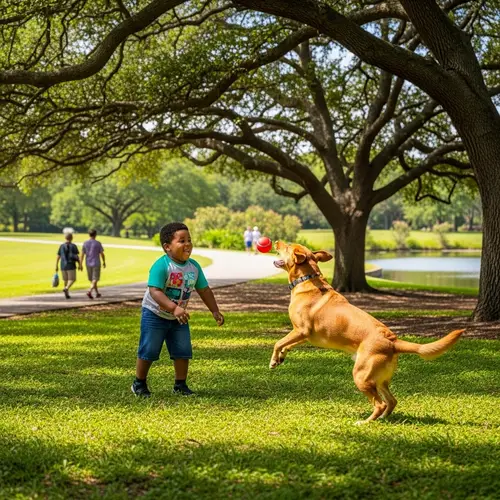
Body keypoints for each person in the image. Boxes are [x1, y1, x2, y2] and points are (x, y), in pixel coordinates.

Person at [132, 222, 224, 398]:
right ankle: (139, 383)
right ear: (167, 247)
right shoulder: (162, 265)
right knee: (149, 350)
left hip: (178, 317)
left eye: (189, 240)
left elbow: (204, 290)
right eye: (182, 240)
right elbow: (155, 291)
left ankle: (180, 385)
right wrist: (174, 308)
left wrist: (215, 310)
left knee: (182, 350)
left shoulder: (194, 267)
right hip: (154, 314)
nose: (187, 244)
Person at [81, 228, 106, 299]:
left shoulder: (85, 243)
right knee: (95, 279)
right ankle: (89, 291)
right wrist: (104, 262)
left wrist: (80, 264)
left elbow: (82, 254)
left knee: (92, 280)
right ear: (95, 234)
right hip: (96, 263)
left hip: (88, 263)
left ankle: (97, 293)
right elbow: (102, 254)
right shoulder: (98, 243)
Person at [55, 232, 80, 299]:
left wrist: (56, 265)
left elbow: (58, 256)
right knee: (72, 279)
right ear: (72, 238)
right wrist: (80, 264)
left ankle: (67, 294)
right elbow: (76, 256)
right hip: (71, 265)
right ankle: (66, 288)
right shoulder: (73, 246)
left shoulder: (61, 246)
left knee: (65, 280)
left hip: (63, 265)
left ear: (65, 238)